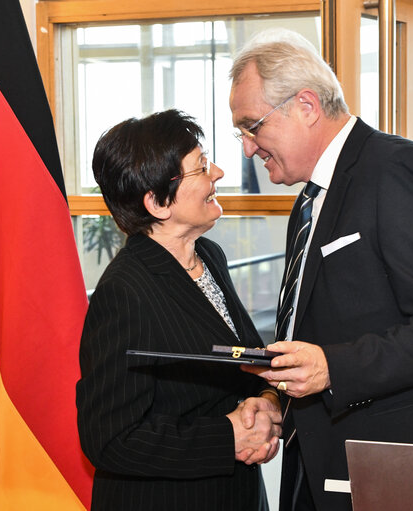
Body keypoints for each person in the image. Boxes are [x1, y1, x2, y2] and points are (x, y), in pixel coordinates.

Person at [229, 30, 413, 511]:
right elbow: (313, 327)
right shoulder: (308, 200)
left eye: (253, 126)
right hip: (321, 462)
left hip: (399, 472)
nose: (247, 148)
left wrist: (333, 368)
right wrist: (273, 394)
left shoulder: (398, 169)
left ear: (306, 106)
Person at [76, 109, 282, 511]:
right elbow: (110, 438)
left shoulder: (208, 255)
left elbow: (243, 360)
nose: (219, 173)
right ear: (157, 202)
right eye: (202, 167)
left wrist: (266, 401)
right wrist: (228, 437)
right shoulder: (125, 292)